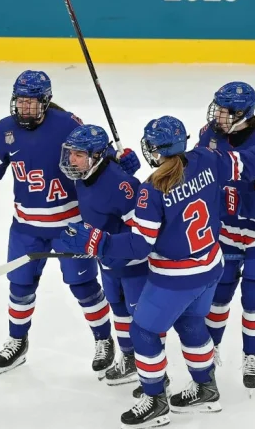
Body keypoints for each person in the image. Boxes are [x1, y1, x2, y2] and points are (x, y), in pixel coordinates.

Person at [56, 115, 255, 428]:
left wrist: (97, 241)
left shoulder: (153, 190)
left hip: (176, 277)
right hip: (211, 267)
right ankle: (205, 388)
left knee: (143, 332)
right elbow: (253, 161)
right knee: (190, 324)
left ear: (155, 151)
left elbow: (139, 246)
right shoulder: (207, 159)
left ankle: (155, 401)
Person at [0, 70, 123, 377]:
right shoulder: (4, 130)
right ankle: (18, 341)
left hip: (69, 224)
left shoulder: (67, 124)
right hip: (26, 227)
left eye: (32, 103)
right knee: (20, 285)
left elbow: (96, 158)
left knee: (83, 286)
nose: (24, 108)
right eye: (21, 102)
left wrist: (118, 160)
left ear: (46, 101)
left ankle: (103, 340)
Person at [57, 124, 168, 387]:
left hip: (133, 265)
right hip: (107, 262)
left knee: (144, 321)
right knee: (118, 308)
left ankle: (157, 376)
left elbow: (141, 231)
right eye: (71, 152)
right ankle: (130, 359)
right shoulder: (83, 176)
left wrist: (105, 245)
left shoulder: (120, 185)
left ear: (96, 156)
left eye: (79, 154)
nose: (72, 160)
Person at [197, 82, 255, 393]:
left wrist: (233, 196)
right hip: (226, 231)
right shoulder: (209, 135)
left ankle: (251, 356)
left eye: (225, 111)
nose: (218, 115)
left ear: (243, 114)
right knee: (218, 294)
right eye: (217, 107)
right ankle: (211, 348)